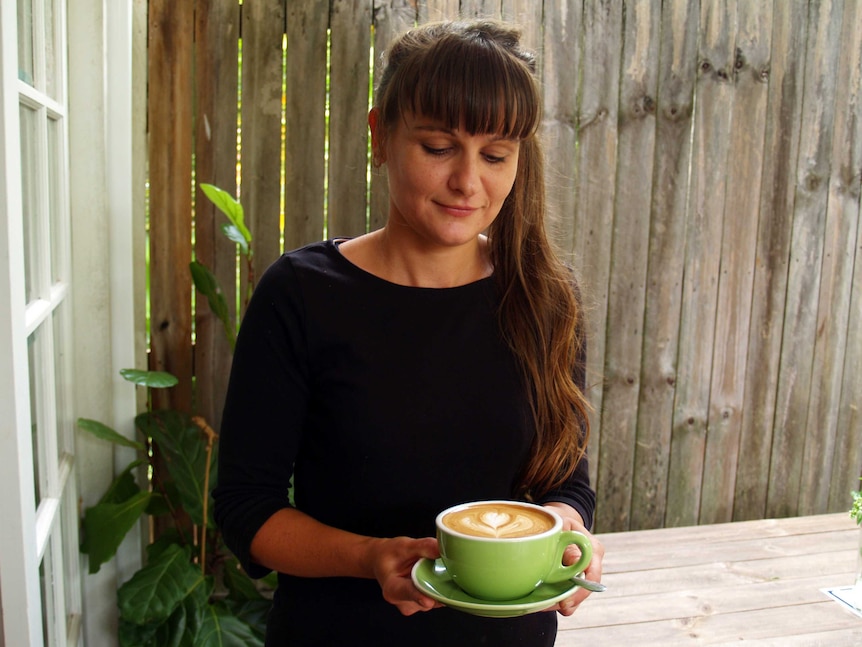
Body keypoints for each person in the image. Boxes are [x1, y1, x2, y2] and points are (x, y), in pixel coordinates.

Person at [213, 19, 604, 646]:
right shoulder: (301, 295)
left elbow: (568, 485)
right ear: (380, 135)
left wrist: (564, 527)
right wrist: (369, 557)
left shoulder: (546, 301)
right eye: (438, 147)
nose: (468, 183)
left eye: (496, 155)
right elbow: (245, 508)